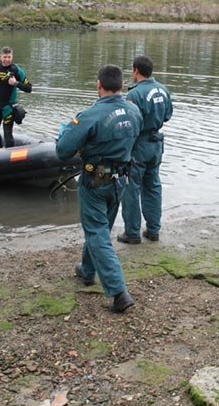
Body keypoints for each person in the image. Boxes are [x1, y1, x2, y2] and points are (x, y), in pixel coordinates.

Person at [56, 65, 142, 313]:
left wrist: (66, 131)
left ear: (98, 85)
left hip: (95, 183)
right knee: (100, 228)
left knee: (97, 232)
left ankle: (118, 292)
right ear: (121, 85)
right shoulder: (134, 110)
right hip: (121, 181)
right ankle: (87, 270)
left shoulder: (90, 115)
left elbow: (63, 151)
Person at [118, 56, 173, 244]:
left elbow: (130, 123)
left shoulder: (135, 94)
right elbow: (167, 116)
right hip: (156, 144)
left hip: (139, 145)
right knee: (153, 186)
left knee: (131, 187)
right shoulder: (163, 90)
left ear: (135, 70)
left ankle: (132, 233)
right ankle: (153, 230)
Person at [0, 47, 32, 148]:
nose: (7, 59)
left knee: (8, 135)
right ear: (0, 57)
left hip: (8, 107)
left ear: (12, 57)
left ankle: (10, 159)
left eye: (9, 57)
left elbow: (29, 88)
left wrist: (16, 83)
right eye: (5, 57)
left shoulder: (17, 70)